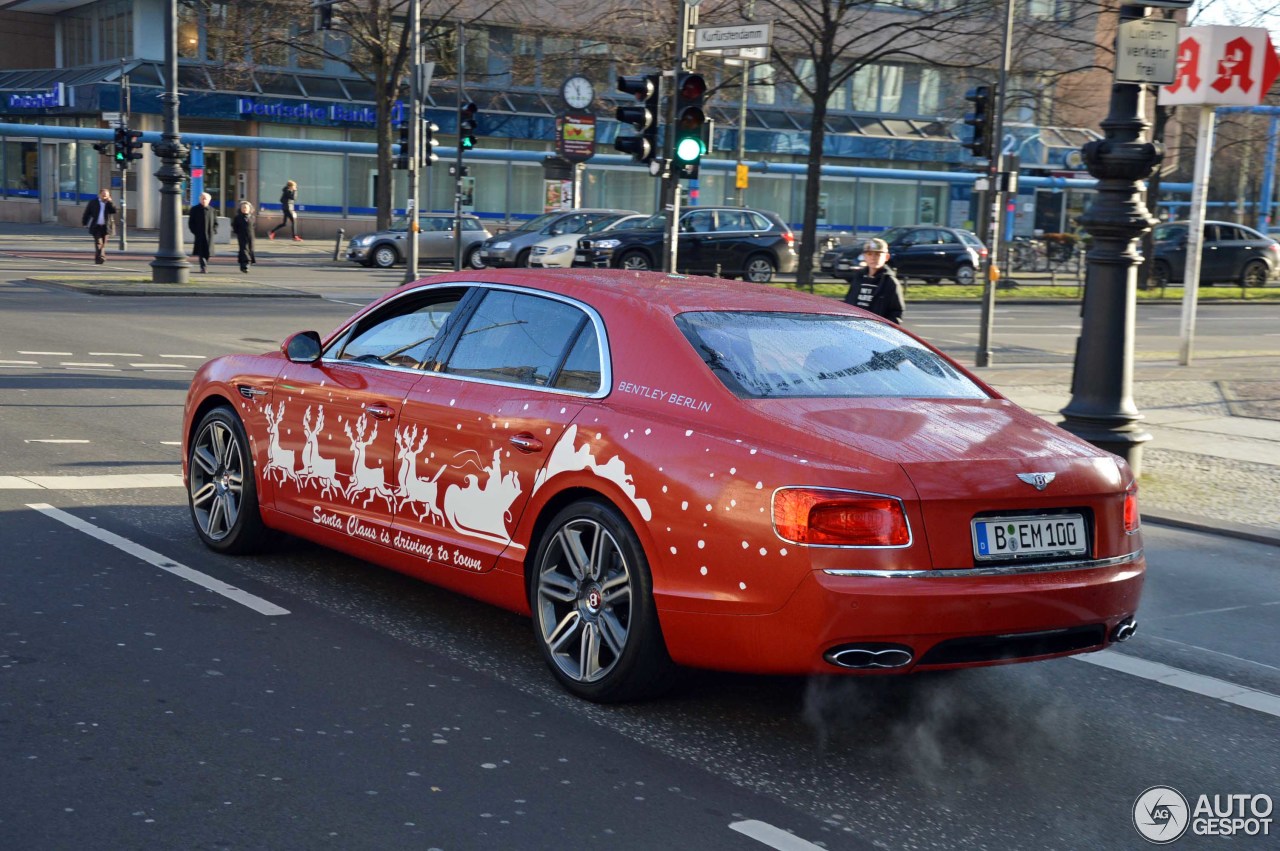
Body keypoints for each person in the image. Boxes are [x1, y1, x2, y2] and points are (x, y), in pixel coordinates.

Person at [842, 238, 905, 324]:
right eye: (869, 254)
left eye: (878, 254)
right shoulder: (858, 278)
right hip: (854, 328)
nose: (873, 258)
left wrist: (883, 328)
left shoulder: (890, 282)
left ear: (886, 257)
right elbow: (848, 302)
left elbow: (896, 312)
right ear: (864, 256)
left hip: (876, 332)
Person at [81, 188, 117, 265]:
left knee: (103, 244)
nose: (104, 197)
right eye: (103, 195)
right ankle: (101, 258)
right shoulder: (93, 202)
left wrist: (110, 202)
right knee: (98, 243)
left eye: (106, 195)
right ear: (99, 195)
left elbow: (114, 211)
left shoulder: (109, 203)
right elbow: (87, 213)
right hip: (96, 226)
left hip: (106, 227)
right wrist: (84, 222)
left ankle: (99, 259)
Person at [188, 192, 217, 273]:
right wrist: (195, 232)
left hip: (209, 235)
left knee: (208, 252)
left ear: (209, 200)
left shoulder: (212, 210)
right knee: (201, 252)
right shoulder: (194, 209)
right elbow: (191, 223)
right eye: (202, 198)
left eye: (205, 199)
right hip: (199, 234)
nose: (204, 200)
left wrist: (214, 230)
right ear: (200, 199)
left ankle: (204, 264)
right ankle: (203, 267)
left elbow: (215, 222)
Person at [231, 201, 256, 273]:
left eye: (246, 208)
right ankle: (245, 264)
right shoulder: (238, 217)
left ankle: (246, 264)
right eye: (243, 207)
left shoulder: (252, 217)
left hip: (250, 236)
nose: (244, 209)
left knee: (250, 249)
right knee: (243, 249)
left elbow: (253, 226)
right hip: (241, 235)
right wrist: (237, 232)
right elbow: (234, 226)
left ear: (249, 209)